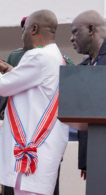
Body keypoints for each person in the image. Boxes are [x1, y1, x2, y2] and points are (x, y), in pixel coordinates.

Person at [0, 9, 69, 195]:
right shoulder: (55, 56)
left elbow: (2, 87)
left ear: (34, 29)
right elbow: (24, 78)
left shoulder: (38, 56)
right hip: (41, 150)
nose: (22, 36)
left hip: (32, 150)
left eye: (24, 30)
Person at [70, 10, 106, 180]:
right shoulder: (82, 68)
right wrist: (86, 160)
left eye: (75, 31)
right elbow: (84, 116)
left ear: (91, 29)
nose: (71, 38)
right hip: (95, 157)